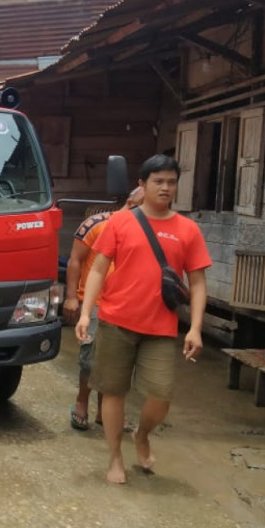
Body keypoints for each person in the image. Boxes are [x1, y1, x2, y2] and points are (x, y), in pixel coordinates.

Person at [76, 154, 211, 484]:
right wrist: (84, 312)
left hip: (161, 327)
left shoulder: (188, 230)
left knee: (161, 395)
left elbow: (197, 282)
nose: (166, 188)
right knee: (113, 392)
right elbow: (96, 268)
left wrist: (194, 327)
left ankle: (142, 434)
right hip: (115, 321)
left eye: (171, 182)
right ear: (142, 185)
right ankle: (115, 457)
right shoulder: (121, 223)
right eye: (159, 182)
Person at [64, 186, 145, 430]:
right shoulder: (96, 224)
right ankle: (81, 402)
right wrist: (71, 297)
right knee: (90, 359)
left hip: (127, 305)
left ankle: (103, 410)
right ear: (131, 204)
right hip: (97, 302)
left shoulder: (147, 231)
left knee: (116, 362)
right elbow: (75, 260)